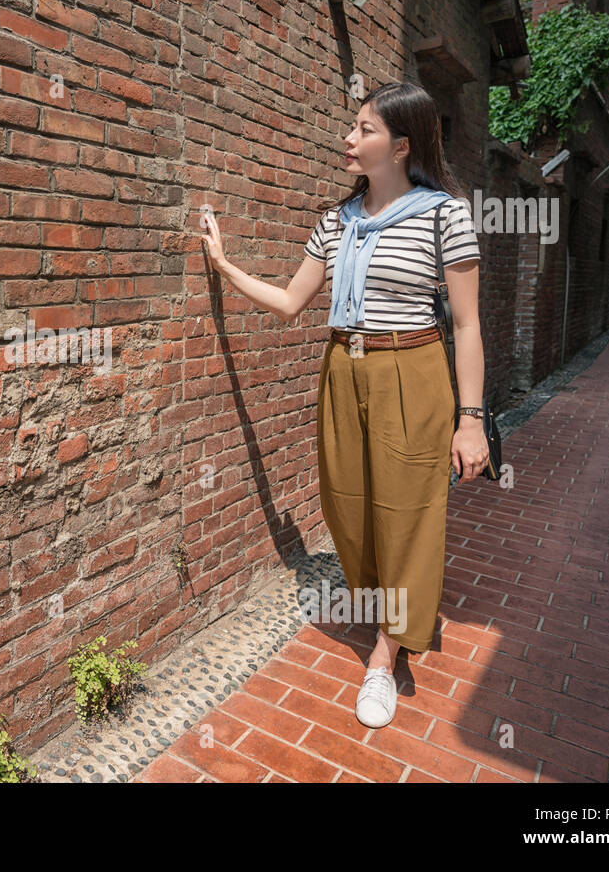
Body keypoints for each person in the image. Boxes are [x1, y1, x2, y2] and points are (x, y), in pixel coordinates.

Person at [196, 82, 489, 729]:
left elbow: (466, 325)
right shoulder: (335, 222)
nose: (348, 140)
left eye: (363, 129)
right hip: (342, 369)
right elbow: (292, 302)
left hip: (412, 369)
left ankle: (387, 655)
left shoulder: (445, 216)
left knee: (408, 511)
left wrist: (471, 420)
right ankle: (384, 604)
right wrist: (225, 266)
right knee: (349, 506)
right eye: (351, 128)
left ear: (401, 145)